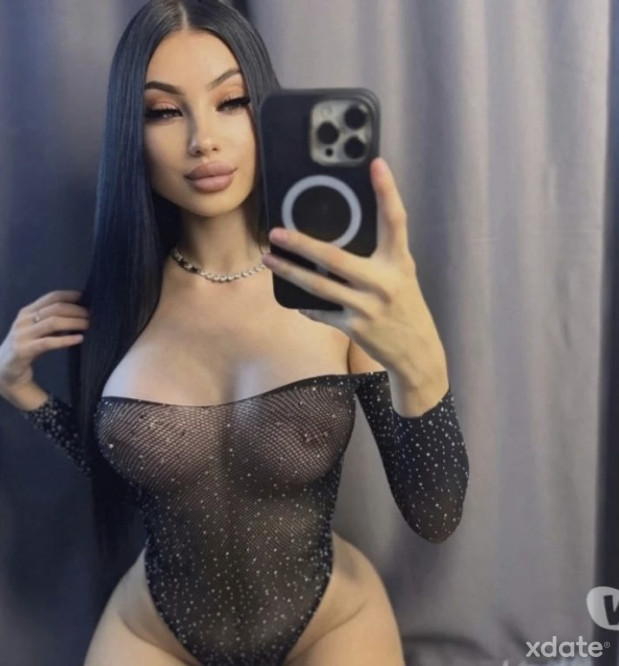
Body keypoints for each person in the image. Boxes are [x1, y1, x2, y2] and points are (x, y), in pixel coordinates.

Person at [0, 0, 470, 664]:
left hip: (330, 621)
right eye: (165, 111)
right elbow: (129, 476)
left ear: (266, 112)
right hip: (154, 632)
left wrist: (420, 362)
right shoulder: (119, 300)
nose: (203, 140)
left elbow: (435, 516)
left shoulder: (338, 292)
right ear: (130, 131)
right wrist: (21, 391)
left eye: (231, 102)